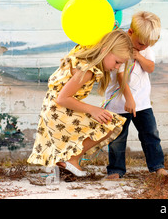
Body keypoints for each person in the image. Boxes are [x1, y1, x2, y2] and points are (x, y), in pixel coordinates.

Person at [27, 29, 133, 177]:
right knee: (111, 122)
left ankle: (62, 161)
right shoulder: (87, 70)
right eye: (117, 62)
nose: (116, 67)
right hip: (58, 110)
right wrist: (93, 110)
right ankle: (72, 159)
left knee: (94, 123)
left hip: (51, 109)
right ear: (105, 50)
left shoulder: (82, 51)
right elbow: (63, 98)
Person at [104, 11, 167, 178]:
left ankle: (157, 166)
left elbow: (150, 68)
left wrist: (138, 55)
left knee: (150, 134)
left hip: (142, 103)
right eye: (140, 44)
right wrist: (129, 100)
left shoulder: (143, 48)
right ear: (130, 32)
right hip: (120, 104)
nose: (144, 47)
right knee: (117, 138)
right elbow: (120, 76)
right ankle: (116, 170)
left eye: (147, 45)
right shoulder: (120, 46)